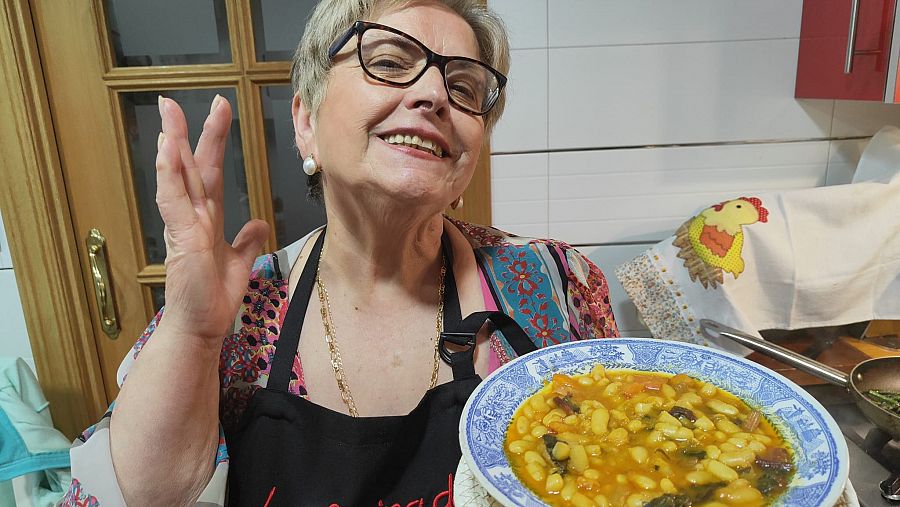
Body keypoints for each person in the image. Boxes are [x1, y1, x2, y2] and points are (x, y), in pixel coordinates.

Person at [63, 0, 618, 505]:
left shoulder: (556, 282)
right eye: (391, 61)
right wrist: (190, 331)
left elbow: (620, 473)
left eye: (466, 88)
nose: (433, 95)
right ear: (306, 123)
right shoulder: (233, 310)